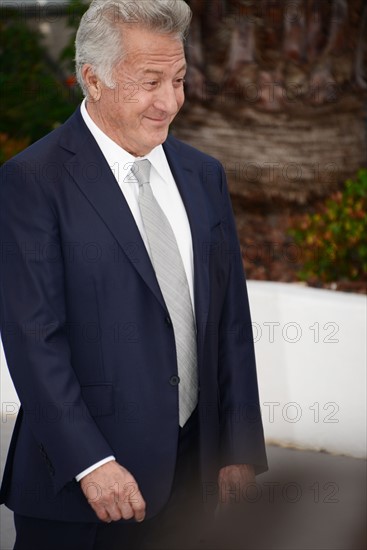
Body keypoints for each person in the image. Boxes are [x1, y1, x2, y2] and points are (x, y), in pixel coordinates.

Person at [0, 1, 267, 548]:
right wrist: (91, 463)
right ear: (92, 79)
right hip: (83, 492)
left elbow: (230, 322)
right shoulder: (32, 181)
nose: (169, 102)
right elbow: (34, 341)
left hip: (193, 482)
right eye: (150, 82)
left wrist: (236, 449)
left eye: (179, 79)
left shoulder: (203, 175)